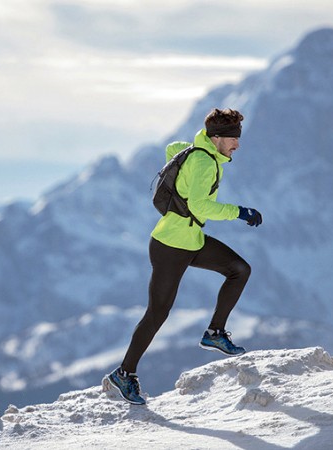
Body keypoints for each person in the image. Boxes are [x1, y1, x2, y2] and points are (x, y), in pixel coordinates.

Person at [106, 108, 262, 405]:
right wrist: (240, 212)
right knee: (157, 314)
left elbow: (171, 148)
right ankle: (124, 375)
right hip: (171, 247)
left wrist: (188, 156)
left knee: (239, 269)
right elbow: (202, 208)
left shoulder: (198, 152)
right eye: (232, 139)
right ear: (216, 138)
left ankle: (215, 333)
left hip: (190, 240)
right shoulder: (204, 162)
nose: (237, 145)